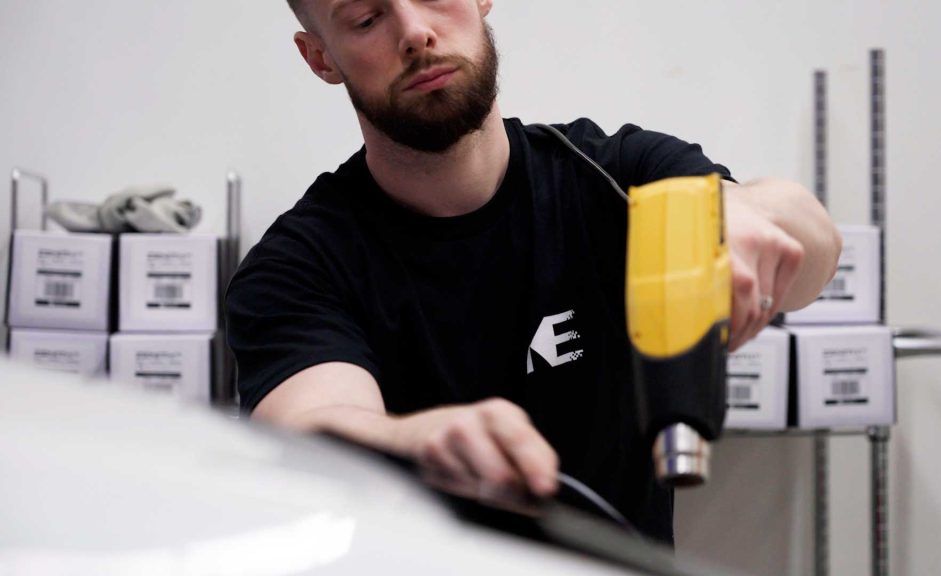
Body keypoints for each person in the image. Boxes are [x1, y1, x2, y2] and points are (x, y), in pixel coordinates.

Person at [226, 0, 841, 543]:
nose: (414, 31)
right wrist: (414, 441)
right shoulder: (299, 263)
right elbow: (311, 422)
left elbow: (812, 246)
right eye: (365, 18)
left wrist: (743, 211)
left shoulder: (614, 176)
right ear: (320, 58)